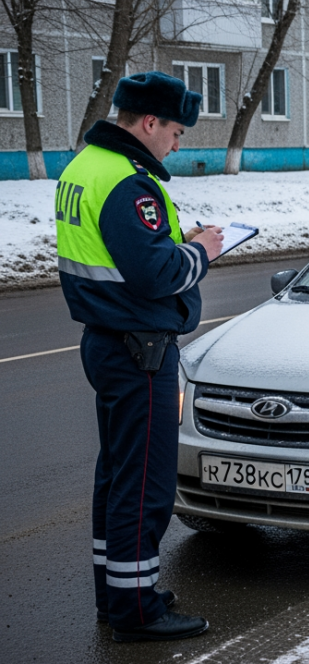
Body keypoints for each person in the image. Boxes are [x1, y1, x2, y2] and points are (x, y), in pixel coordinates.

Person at [56, 71, 223, 642]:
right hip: (140, 350)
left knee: (117, 476)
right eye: (175, 132)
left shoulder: (84, 167)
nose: (177, 144)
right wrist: (200, 251)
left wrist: (178, 245)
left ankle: (117, 594)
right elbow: (157, 274)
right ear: (149, 122)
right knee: (145, 486)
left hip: (108, 342)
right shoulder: (130, 182)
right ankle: (138, 612)